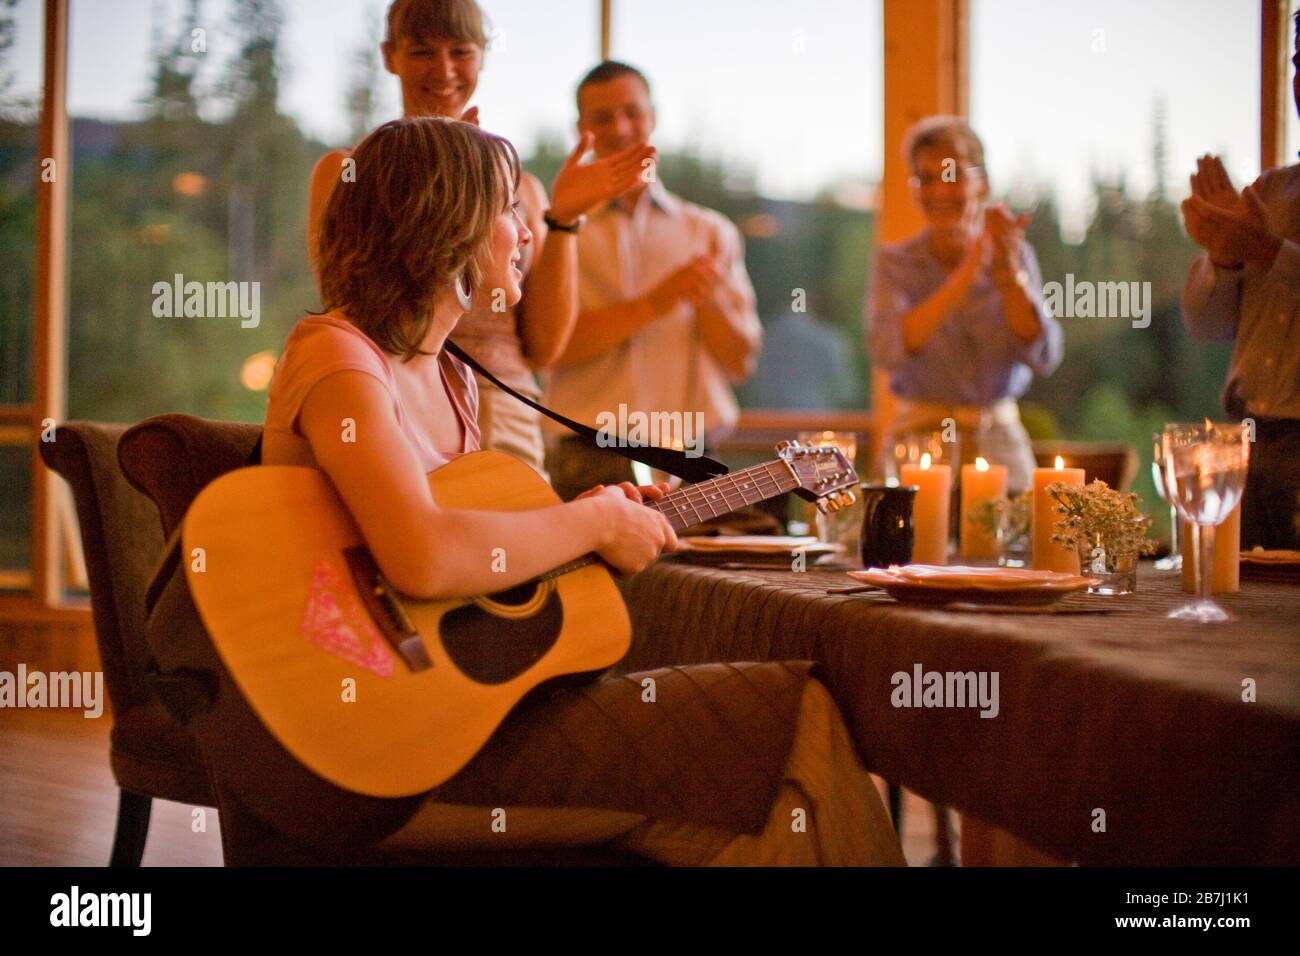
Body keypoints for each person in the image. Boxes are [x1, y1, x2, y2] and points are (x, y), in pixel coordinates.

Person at [270, 115, 904, 866]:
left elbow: (467, 573)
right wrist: (590, 523)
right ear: (446, 223)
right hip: (371, 746)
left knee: (767, 808)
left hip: (461, 707)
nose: (528, 230)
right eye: (510, 209)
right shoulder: (341, 356)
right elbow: (423, 557)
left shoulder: (451, 377)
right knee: (794, 719)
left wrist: (585, 525)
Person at [307, 0, 654, 480]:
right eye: (423, 51)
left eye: (461, 51)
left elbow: (543, 349)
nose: (444, 70)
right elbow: (349, 308)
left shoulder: (523, 188)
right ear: (390, 56)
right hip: (392, 398)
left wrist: (564, 219)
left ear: (483, 56)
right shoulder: (346, 172)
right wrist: (444, 187)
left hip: (502, 404)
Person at [542, 61, 763, 501]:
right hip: (589, 455)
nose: (620, 128)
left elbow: (741, 362)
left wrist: (706, 299)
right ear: (580, 128)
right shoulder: (558, 232)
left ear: (653, 116)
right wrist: (654, 304)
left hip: (695, 453)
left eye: (632, 112)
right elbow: (550, 348)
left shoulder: (710, 231)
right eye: (602, 118)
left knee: (700, 576)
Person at [866, 116, 1063, 491]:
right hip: (916, 446)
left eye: (953, 175)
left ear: (983, 184)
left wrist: (1008, 276)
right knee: (903, 550)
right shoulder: (892, 263)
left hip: (1000, 444)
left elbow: (1044, 355)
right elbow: (887, 349)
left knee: (1015, 545)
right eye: (925, 179)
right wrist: (967, 273)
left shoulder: (1017, 255)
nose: (940, 191)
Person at [1179, 12, 1300, 550]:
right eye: (1299, 64)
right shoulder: (1270, 193)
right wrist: (1224, 256)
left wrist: (1267, 251)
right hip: (1248, 447)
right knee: (1239, 616)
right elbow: (1206, 325)